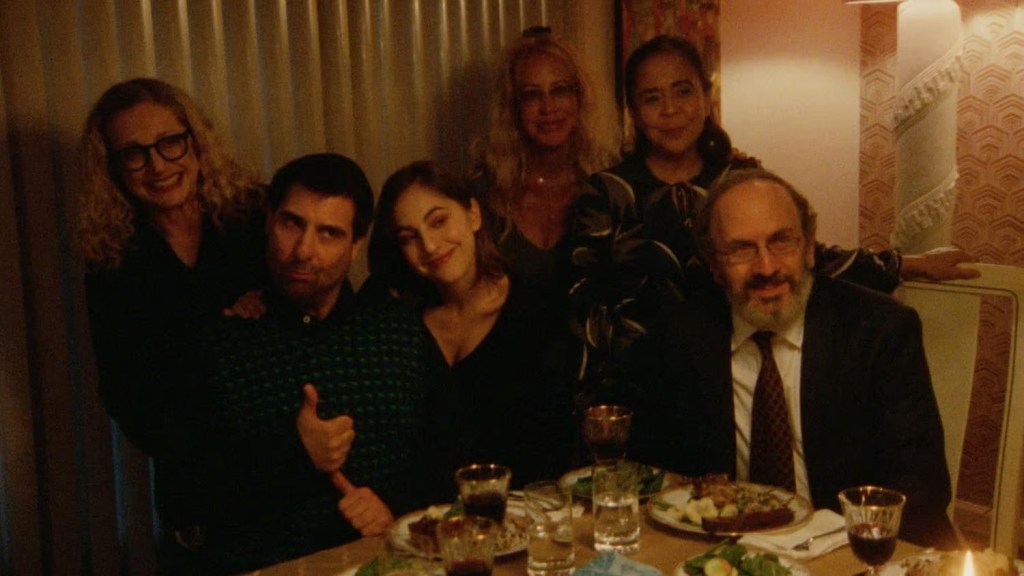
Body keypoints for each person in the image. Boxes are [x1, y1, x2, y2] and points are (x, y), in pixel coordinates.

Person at [568, 34, 979, 402]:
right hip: (636, 388)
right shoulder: (608, 194)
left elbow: (798, 256)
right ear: (634, 111)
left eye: (683, 91)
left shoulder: (741, 179)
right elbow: (582, 302)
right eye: (652, 98)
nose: (670, 109)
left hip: (731, 381)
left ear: (706, 98)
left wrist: (909, 265)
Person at [628, 167, 958, 548]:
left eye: (782, 241)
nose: (766, 268)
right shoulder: (677, 340)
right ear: (713, 265)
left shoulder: (880, 331)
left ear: (809, 245)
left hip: (850, 551)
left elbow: (921, 489)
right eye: (741, 250)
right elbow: (658, 484)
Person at [177, 153, 424, 573]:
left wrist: (395, 509)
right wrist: (295, 451)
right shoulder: (223, 342)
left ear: (356, 244)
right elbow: (185, 496)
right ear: (269, 221)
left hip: (386, 560)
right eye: (292, 223)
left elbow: (446, 453)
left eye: (329, 233)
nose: (303, 250)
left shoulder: (398, 330)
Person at [365, 160, 573, 501]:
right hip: (426, 520)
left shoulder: (537, 308)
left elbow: (556, 446)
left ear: (473, 215)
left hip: (526, 515)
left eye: (438, 221)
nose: (430, 246)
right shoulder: (401, 324)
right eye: (409, 237)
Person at [471, 26, 618, 305]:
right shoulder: (484, 191)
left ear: (579, 98)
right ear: (512, 106)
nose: (548, 107)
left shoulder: (612, 184)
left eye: (559, 90)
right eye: (531, 94)